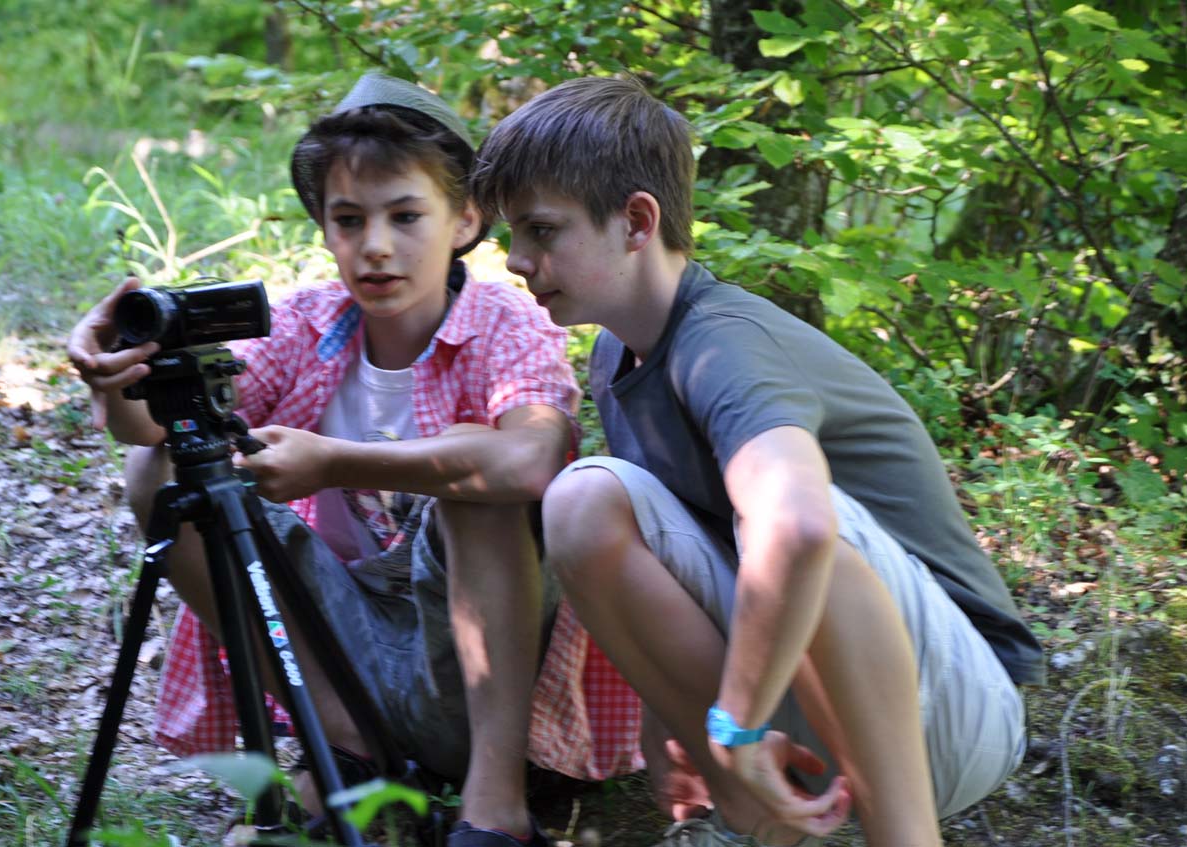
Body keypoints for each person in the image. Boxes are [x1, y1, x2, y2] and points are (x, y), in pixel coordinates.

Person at [67, 72, 644, 846]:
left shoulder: (503, 322)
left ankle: (495, 802)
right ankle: (351, 751)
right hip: (339, 658)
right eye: (348, 219)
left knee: (475, 478)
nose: (375, 245)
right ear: (324, 228)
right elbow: (154, 430)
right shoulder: (308, 324)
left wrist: (336, 461)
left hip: (482, 676)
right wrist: (115, 373)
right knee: (162, 466)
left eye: (406, 216)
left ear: (465, 219)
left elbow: (531, 459)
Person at [470, 75, 1045, 847]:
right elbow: (667, 556)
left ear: (637, 221)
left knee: (792, 523)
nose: (517, 259)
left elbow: (800, 530)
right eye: (515, 234)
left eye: (543, 230)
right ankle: (757, 819)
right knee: (585, 501)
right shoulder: (615, 356)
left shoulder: (724, 344)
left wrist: (734, 724)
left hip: (950, 709)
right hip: (812, 703)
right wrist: (670, 726)